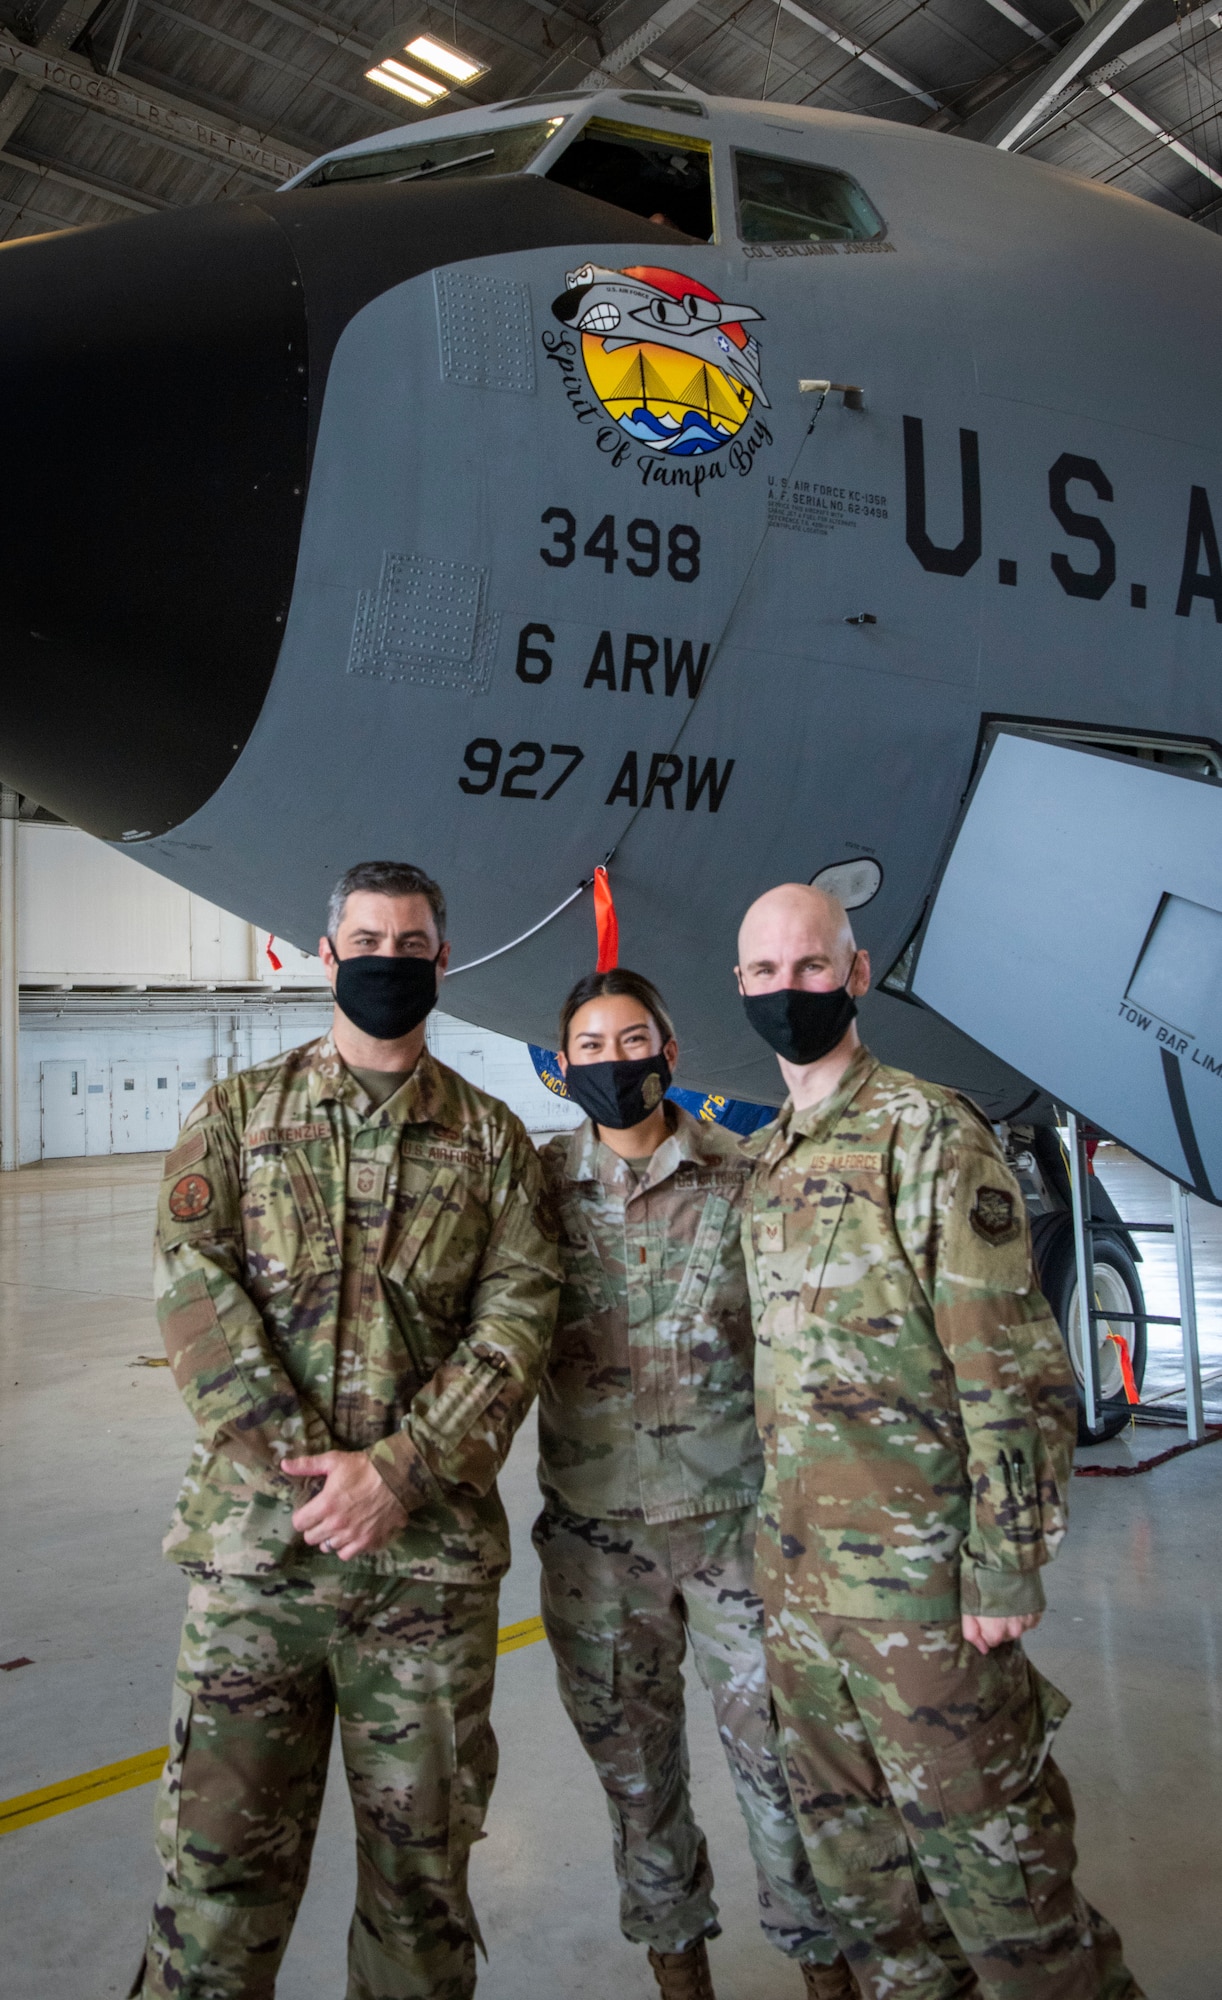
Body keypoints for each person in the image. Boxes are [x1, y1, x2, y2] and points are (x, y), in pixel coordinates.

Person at [129, 861, 560, 2000]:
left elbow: (516, 1319)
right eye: (365, 938)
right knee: (215, 1890)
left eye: (410, 943)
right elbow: (192, 1294)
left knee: (421, 1898)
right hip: (256, 1572)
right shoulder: (234, 1116)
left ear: (441, 962)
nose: (387, 959)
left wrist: (400, 1474)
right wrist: (308, 1474)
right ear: (325, 956)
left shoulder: (493, 1143)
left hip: (422, 1586)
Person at [734, 882, 1144, 2000]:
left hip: (925, 1600)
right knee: (875, 1907)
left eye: (811, 966)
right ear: (740, 989)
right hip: (803, 1597)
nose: (789, 990)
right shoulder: (767, 1159)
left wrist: (1006, 1558)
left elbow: (1006, 1367)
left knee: (1009, 1907)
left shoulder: (927, 1133)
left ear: (854, 975)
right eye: (765, 973)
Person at [533, 967, 857, 2000]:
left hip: (736, 1530)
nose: (613, 1060)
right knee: (636, 1779)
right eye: (590, 1044)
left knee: (785, 1772)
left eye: (634, 1040)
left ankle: (823, 1963)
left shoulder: (745, 1172)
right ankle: (680, 1968)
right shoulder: (536, 1191)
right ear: (562, 1066)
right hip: (597, 1542)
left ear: (671, 1053)